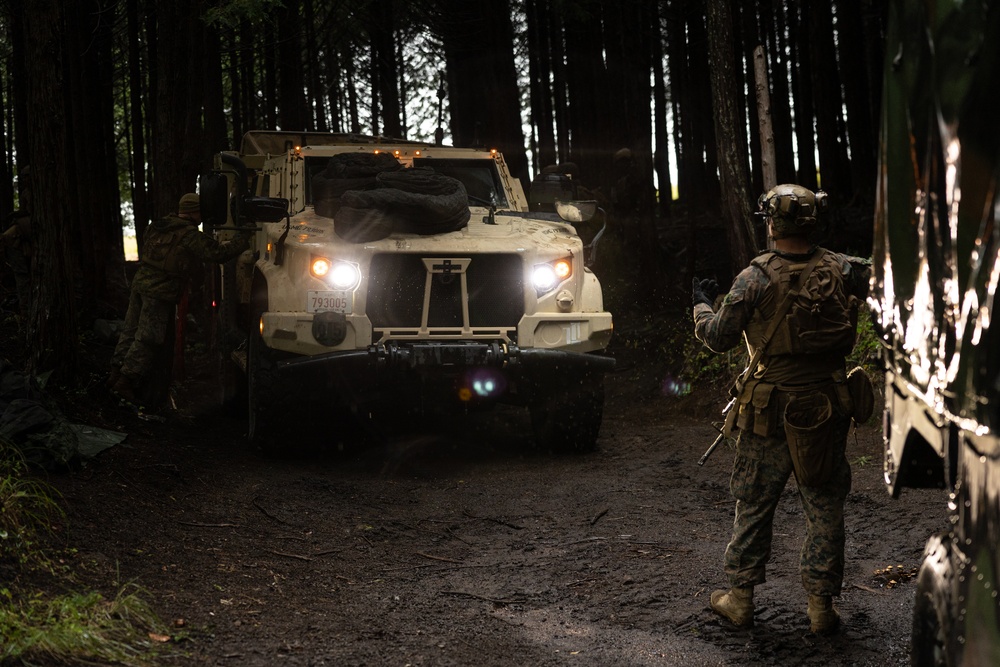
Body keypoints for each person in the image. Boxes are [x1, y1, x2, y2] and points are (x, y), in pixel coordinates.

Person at [691, 184, 871, 635]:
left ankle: (740, 599)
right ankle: (821, 609)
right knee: (825, 505)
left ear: (771, 223)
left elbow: (717, 337)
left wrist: (699, 306)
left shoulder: (754, 278)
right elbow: (884, 277)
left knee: (753, 502)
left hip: (767, 412)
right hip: (826, 409)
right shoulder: (842, 268)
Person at [109, 193, 250, 406]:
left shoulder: (159, 225)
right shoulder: (189, 234)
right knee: (149, 337)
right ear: (195, 212)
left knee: (130, 330)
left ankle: (114, 372)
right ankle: (125, 380)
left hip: (140, 283)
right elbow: (218, 253)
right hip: (159, 290)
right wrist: (244, 237)